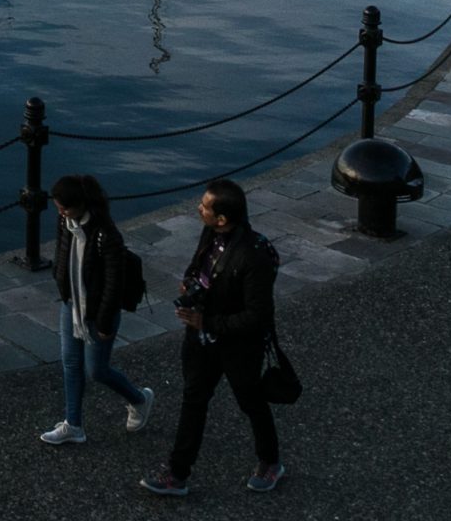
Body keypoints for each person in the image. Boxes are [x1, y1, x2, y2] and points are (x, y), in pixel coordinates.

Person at [141, 178, 284, 498]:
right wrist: (190, 282)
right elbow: (201, 267)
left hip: (237, 344)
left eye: (204, 206)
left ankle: (270, 461)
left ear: (222, 218)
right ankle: (177, 473)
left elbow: (257, 315)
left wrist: (209, 321)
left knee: (250, 401)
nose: (198, 208)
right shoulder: (213, 233)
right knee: (193, 400)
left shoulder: (252, 256)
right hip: (201, 337)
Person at [38, 175, 153, 446]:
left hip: (99, 310)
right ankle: (73, 424)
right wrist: (62, 285)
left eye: (65, 207)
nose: (60, 212)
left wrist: (103, 322)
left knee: (97, 370)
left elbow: (114, 282)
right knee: (70, 363)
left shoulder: (106, 234)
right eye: (58, 207)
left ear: (82, 204)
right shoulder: (66, 221)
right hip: (73, 303)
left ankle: (139, 398)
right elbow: (62, 251)